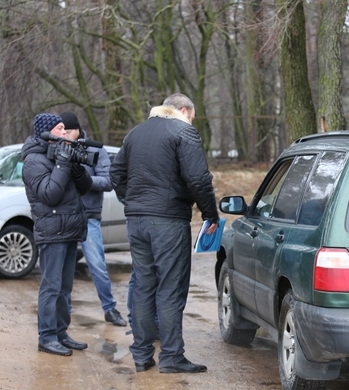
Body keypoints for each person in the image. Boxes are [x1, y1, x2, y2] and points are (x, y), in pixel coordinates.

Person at [110, 93, 219, 373]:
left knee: (144, 286)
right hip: (169, 220)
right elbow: (198, 178)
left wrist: (133, 202)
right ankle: (171, 357)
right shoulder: (184, 131)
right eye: (191, 115)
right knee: (170, 288)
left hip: (136, 220)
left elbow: (116, 174)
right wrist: (210, 215)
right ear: (183, 110)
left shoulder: (135, 133)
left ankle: (142, 354)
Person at [21, 113, 93, 356]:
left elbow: (85, 188)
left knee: (64, 287)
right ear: (48, 132)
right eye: (60, 128)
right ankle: (47, 336)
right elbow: (50, 194)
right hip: (52, 231)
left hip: (70, 229)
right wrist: (63, 163)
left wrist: (73, 165)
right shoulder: (33, 160)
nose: (65, 132)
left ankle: (61, 333)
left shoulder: (60, 153)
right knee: (51, 286)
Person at [60, 111, 127, 327]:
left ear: (78, 129)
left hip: (88, 216)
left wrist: (83, 180)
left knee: (97, 265)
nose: (65, 135)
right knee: (64, 267)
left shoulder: (95, 149)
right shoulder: (59, 147)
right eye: (62, 131)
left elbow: (108, 182)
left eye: (68, 131)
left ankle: (109, 309)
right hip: (65, 216)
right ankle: (65, 313)